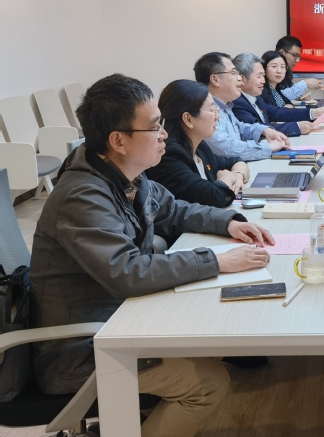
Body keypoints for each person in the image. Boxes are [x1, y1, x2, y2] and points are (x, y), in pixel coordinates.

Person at [29, 74, 276, 437]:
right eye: (155, 126)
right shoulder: (83, 196)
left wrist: (230, 223)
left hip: (123, 321)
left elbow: (174, 209)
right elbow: (128, 272)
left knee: (211, 336)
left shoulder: (125, 174)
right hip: (84, 351)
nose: (164, 134)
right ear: (119, 140)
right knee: (207, 385)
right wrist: (217, 261)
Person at [146, 79, 250, 207]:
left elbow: (236, 161)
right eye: (211, 110)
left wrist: (238, 175)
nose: (217, 116)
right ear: (188, 119)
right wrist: (227, 178)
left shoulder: (200, 147)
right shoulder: (169, 156)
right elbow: (215, 197)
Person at [194, 51, 290, 161]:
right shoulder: (206, 111)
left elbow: (240, 128)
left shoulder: (225, 105)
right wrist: (268, 147)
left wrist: (265, 131)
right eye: (234, 73)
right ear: (215, 80)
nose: (240, 78)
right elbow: (227, 149)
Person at [231, 52, 324, 136]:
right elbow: (259, 131)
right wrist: (297, 127)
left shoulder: (256, 98)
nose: (263, 81)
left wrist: (314, 113)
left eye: (263, 76)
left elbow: (279, 112)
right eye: (259, 76)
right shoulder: (237, 103)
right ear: (241, 79)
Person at [274, 35, 324, 101]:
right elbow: (278, 98)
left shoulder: (287, 72)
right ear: (282, 53)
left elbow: (288, 92)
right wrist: (305, 83)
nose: (297, 60)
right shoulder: (271, 71)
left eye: (298, 57)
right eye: (295, 55)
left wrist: (299, 96)